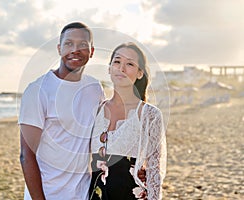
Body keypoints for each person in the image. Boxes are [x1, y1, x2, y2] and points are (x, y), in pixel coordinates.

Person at [18, 22, 104, 199]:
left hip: (83, 194)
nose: (75, 50)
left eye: (82, 45)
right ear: (59, 49)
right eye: (69, 44)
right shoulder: (38, 90)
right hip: (48, 194)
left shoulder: (95, 88)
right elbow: (26, 155)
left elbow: (102, 140)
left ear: (92, 51)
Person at [89, 42, 167, 200]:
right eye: (117, 62)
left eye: (129, 64)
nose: (121, 68)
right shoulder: (95, 111)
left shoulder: (150, 115)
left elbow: (154, 171)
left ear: (139, 73)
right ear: (109, 68)